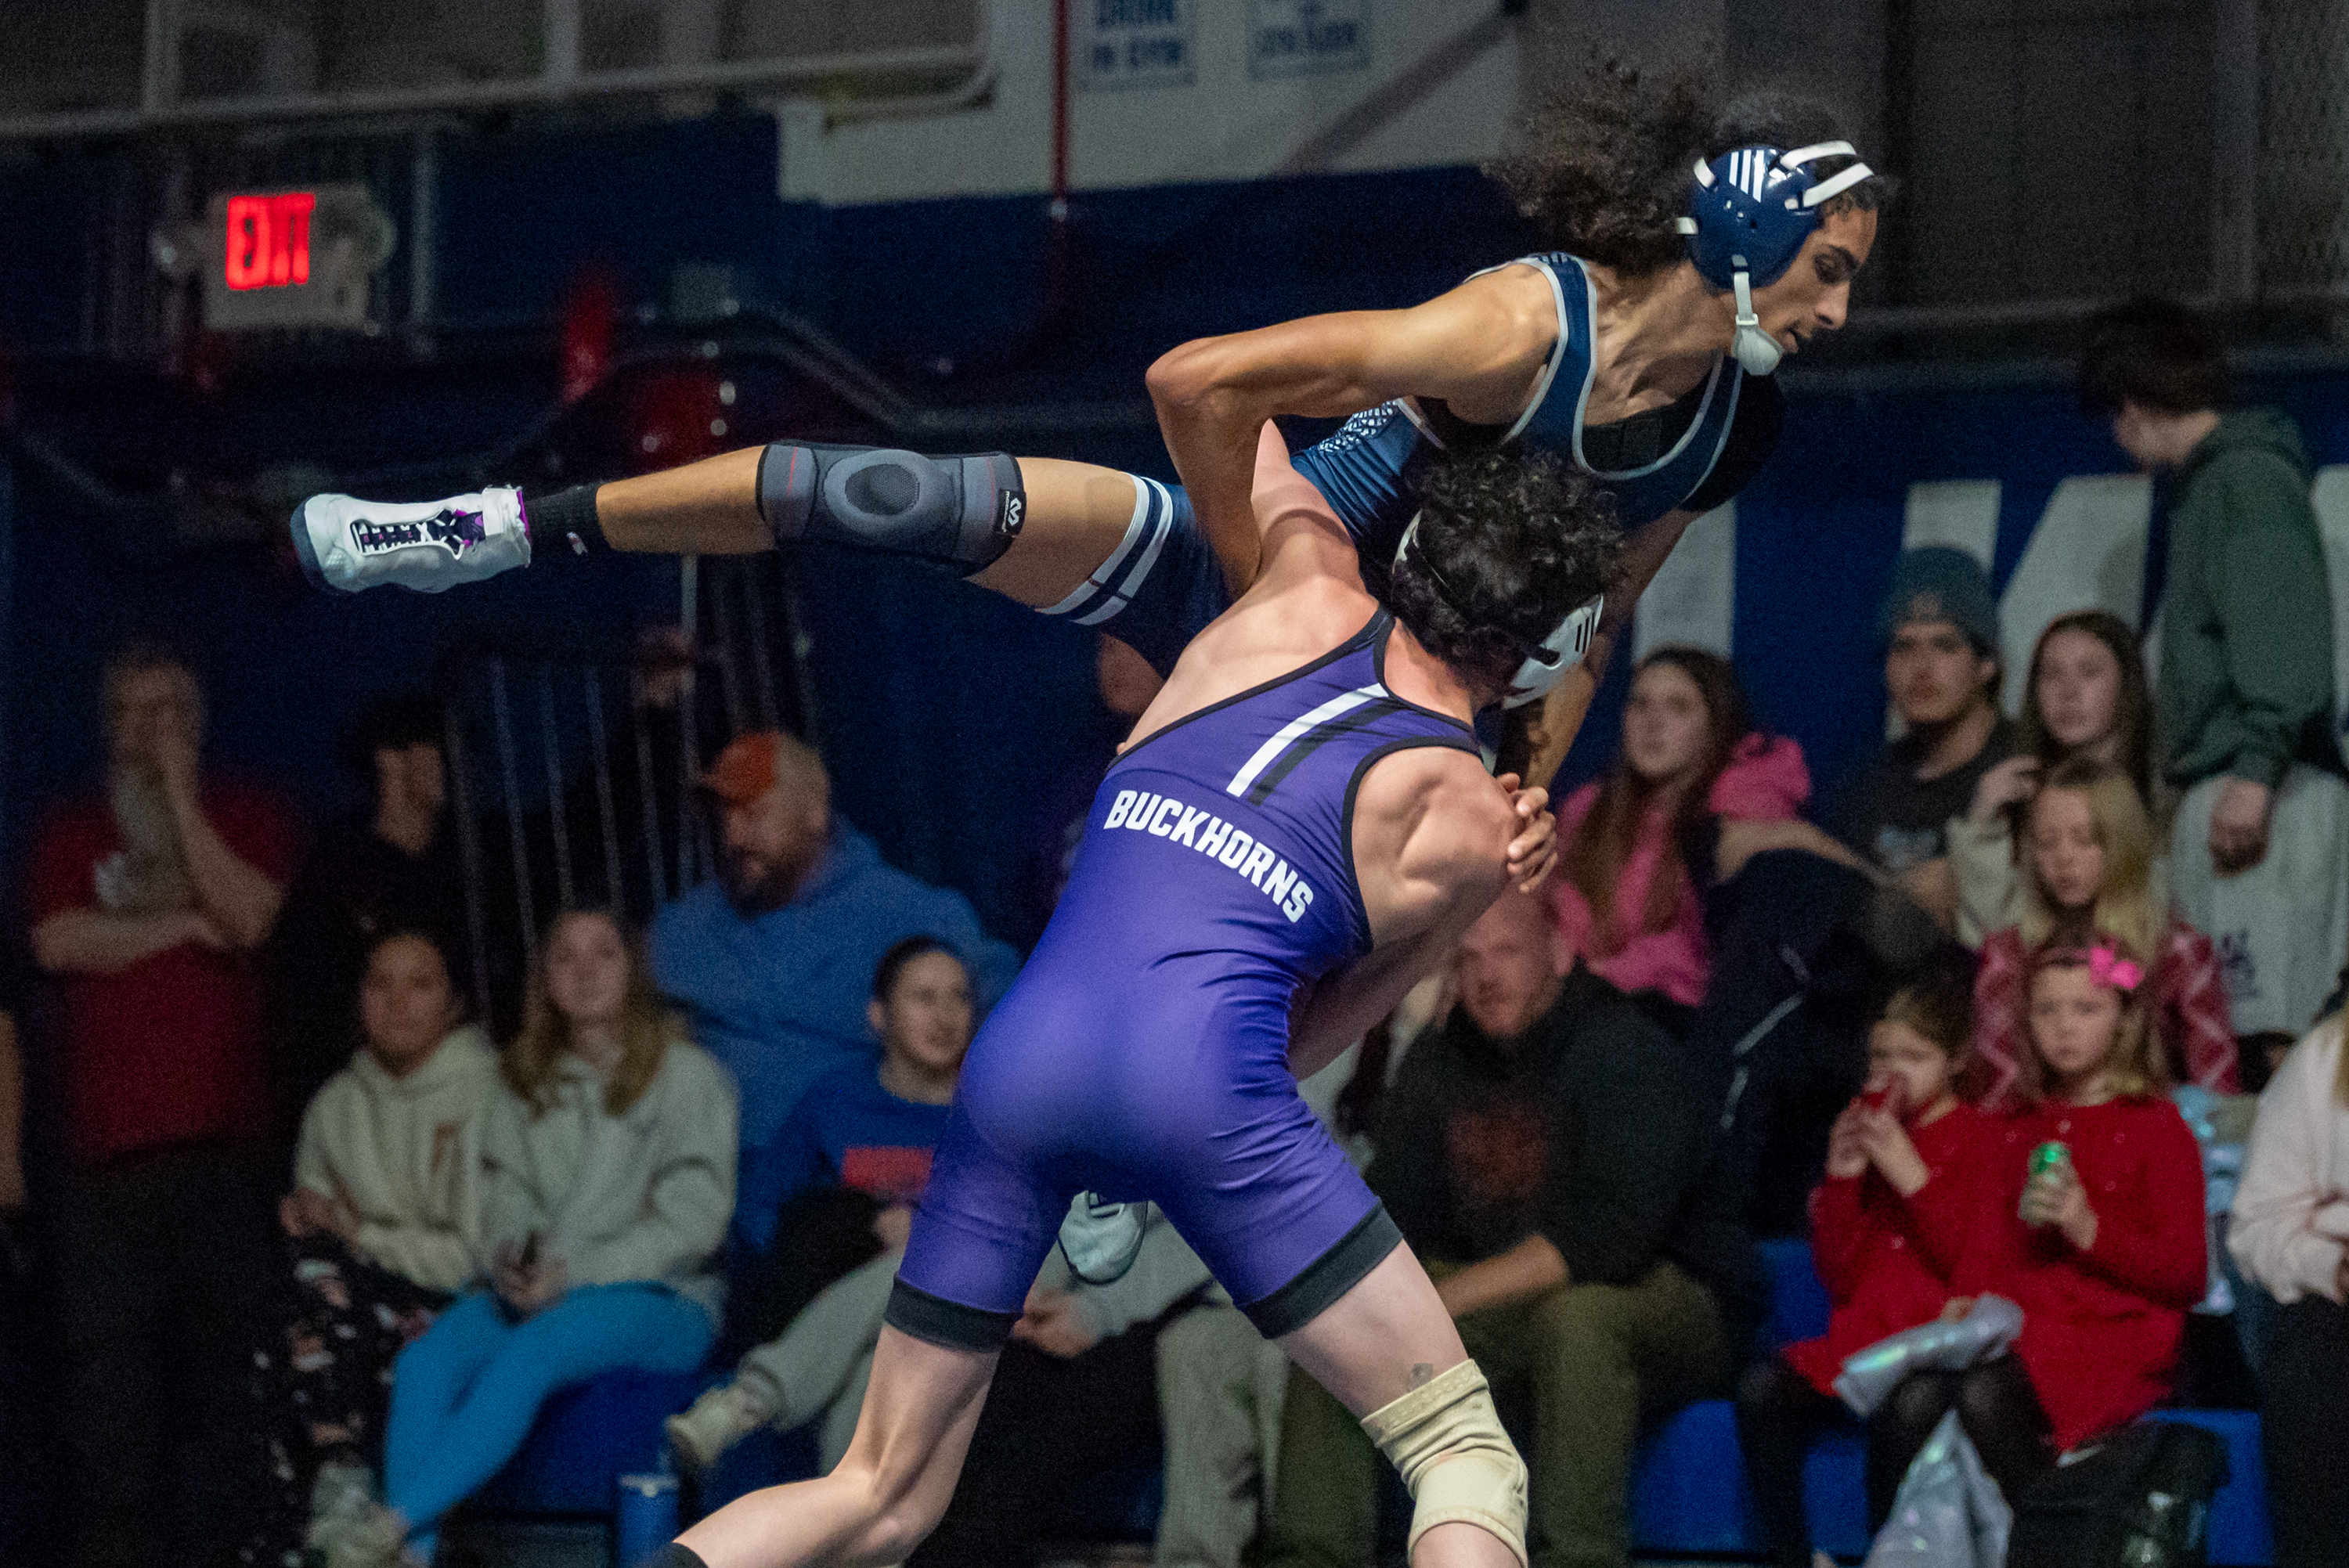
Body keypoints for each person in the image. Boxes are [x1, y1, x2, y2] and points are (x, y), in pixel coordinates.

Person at [295, 59, 1883, 790]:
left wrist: (1528, 774)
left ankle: (1138, 1140)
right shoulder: (1517, 327)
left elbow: (1596, 609)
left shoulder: (1729, 427)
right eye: (1831, 266)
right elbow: (1198, 383)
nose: (1839, 307)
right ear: (1748, 230)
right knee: (880, 493)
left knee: (1368, 912)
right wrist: (1264, 579)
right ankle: (482, 528)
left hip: (1369, 680)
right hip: (1257, 576)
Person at [655, 425, 1606, 1568]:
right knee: (1460, 1451)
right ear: (1546, 650)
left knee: (878, 1489)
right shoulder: (1468, 818)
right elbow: (1303, 1042)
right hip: (1196, 1084)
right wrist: (1473, 893)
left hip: (1021, 1064)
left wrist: (1414, 402)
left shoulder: (1292, 587)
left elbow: (1239, 419)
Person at [1264, 890, 1756, 1568]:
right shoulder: (1442, 1059)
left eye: (1507, 952)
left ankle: (1577, 1559)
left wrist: (1435, 1304)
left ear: (1559, 953)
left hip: (1673, 1296)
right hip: (1512, 1298)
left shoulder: (1624, 1049)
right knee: (1347, 1324)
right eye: (1468, 959)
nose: (1487, 975)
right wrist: (1363, 1306)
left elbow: (1603, 1240)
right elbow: (1391, 1211)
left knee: (1581, 1318)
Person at [327, 910, 738, 1568]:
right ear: (544, 978)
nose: (585, 970)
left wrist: (572, 1273)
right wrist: (515, 1263)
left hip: (666, 1295)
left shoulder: (687, 1075)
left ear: (633, 969)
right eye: (564, 956)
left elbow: (690, 1225)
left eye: (604, 953)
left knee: (533, 1350)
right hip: (545, 1287)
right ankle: (414, 1558)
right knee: (425, 1360)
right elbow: (506, 1202)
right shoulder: (522, 1078)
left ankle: (389, 1525)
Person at [25, 640, 296, 1568]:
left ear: (200, 720)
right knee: (110, 1404)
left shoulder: (246, 812)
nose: (152, 731)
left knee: (229, 1397)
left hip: (227, 1154)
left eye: (170, 710)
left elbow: (251, 917)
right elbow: (59, 940)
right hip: (106, 1165)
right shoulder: (72, 829)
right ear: (107, 727)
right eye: (134, 713)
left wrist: (181, 798)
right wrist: (185, 922)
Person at [2080, 297, 2349, 1048]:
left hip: (2266, 792)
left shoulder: (2245, 479)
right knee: (2223, 1041)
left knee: (2271, 1041)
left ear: (2132, 403)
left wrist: (2257, 771)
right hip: (2246, 785)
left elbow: (2283, 636)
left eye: (2112, 415)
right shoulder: (2214, 485)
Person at [648, 728, 1019, 1256]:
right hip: (719, 1189)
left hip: (858, 1177)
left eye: (753, 813)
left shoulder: (907, 911)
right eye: (723, 816)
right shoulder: (682, 932)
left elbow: (1011, 1019)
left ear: (815, 811)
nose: (733, 834)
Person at [1878, 939, 2206, 1503]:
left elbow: (2186, 1274)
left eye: (2086, 1009)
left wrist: (2089, 1229)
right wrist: (1965, 1299)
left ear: (2124, 1021)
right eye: (2047, 1009)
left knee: (1984, 1395)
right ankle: (1898, 1543)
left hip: (2117, 1335)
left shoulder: (2158, 1127)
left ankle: (2046, 1538)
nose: (2064, 1026)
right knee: (1911, 1401)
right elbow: (1989, 1240)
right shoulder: (2015, 1125)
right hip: (2026, 1324)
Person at [666, 935, 973, 1475]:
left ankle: (745, 1404)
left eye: (959, 998)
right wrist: (861, 1232)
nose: (945, 1016)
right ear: (879, 1015)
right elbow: (762, 1214)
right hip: (841, 1303)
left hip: (953, 1312)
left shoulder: (995, 1115)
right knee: (871, 1346)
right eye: (924, 998)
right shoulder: (834, 1101)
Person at [239, 930, 497, 1568]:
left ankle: (338, 1492)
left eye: (420, 983)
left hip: (457, 1301)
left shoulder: (488, 1092)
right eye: (380, 983)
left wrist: (357, 1234)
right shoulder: (334, 1104)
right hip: (349, 1299)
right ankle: (326, 1498)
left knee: (327, 1307)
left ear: (453, 1001)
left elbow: (474, 1256)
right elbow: (318, 1240)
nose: (398, 1001)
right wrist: (312, 1223)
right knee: (295, 1285)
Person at [1733, 968, 1986, 1568]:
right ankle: (1792, 1557)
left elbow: (1969, 1261)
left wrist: (1910, 1174)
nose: (1892, 1073)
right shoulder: (1868, 1130)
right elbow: (1839, 1273)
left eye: (1914, 1057)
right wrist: (1843, 1179)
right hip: (1859, 1342)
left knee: (1908, 1409)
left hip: (1926, 1346)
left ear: (1956, 1059)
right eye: (1881, 1056)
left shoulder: (1982, 1139)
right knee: (1762, 1390)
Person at [1549, 644, 1807, 1015]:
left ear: (1716, 725)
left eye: (1679, 707)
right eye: (1640, 704)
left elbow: (1708, 954)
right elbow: (1554, 921)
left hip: (1691, 1022)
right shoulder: (1588, 812)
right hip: (1591, 1012)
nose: (1653, 722)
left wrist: (1600, 979)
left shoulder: (1745, 811)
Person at [1972, 759, 2235, 1105]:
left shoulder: (2176, 949)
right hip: (2042, 1132)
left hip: (2151, 1130)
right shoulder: (2009, 954)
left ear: (2123, 844)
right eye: (2047, 843)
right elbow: (1998, 1093)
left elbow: (2217, 1092)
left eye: (2085, 840)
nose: (2064, 858)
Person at [268, 692, 466, 1137]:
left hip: (463, 1097)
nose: (454, 761)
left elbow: (578, 825)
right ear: (389, 759)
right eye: (436, 746)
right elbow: (301, 1001)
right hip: (369, 1111)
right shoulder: (335, 870)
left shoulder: (471, 851)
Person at [1832, 546, 2020, 931]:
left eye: (1945, 645)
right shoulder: (1863, 782)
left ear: (1987, 662)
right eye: (1903, 646)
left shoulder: (2023, 768)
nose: (1921, 667)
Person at [1947, 611, 2156, 947]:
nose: (2068, 691)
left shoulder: (2166, 793)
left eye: (2089, 672)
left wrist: (2107, 970)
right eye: (2052, 674)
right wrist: (1982, 830)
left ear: (2126, 683)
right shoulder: (2014, 795)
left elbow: (2162, 947)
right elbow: (1994, 946)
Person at [2227, 1011, 2349, 1568]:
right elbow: (2256, 1227)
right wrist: (2334, 1267)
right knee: (2311, 1360)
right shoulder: (2326, 1058)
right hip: (2334, 1312)